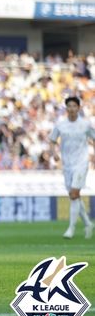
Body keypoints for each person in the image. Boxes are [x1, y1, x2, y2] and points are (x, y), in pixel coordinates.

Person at [49, 96, 95, 239]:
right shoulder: (61, 125)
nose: (72, 108)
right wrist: (54, 154)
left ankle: (71, 228)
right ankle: (88, 223)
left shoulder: (85, 125)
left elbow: (93, 138)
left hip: (81, 163)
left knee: (74, 194)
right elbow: (52, 140)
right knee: (74, 196)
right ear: (66, 108)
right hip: (67, 164)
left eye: (74, 106)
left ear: (78, 108)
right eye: (69, 106)